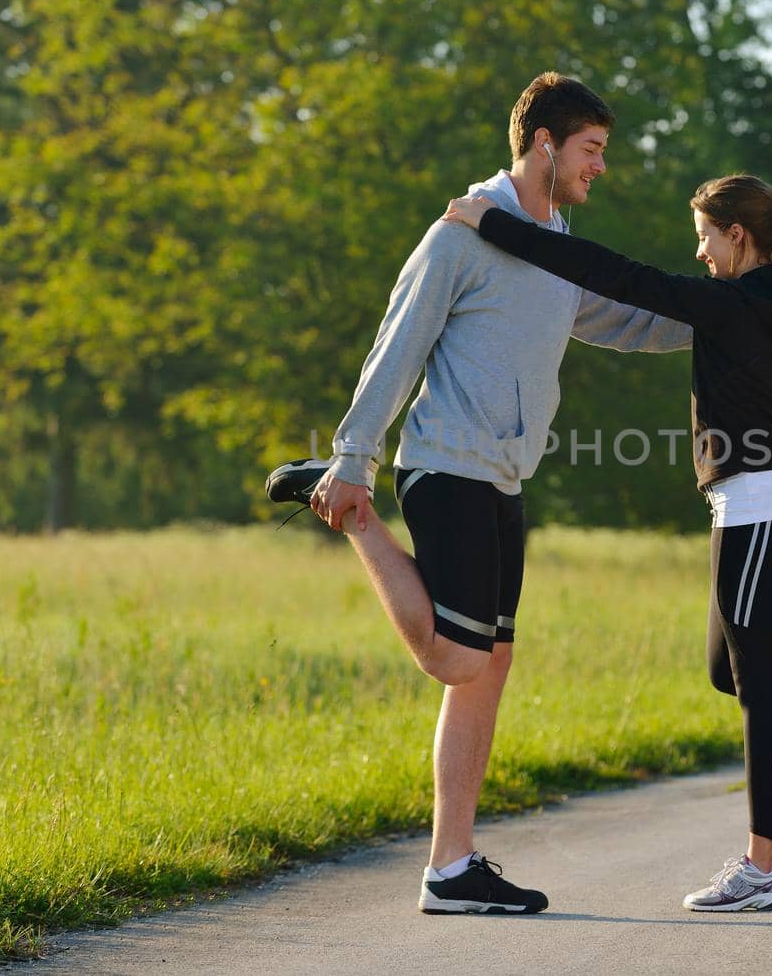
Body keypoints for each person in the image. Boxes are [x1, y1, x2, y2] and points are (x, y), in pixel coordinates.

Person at [441, 174, 772, 912]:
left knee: (760, 685)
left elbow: (614, 274)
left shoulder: (734, 307)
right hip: (755, 507)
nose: (698, 252)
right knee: (729, 672)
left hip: (761, 505)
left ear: (739, 235)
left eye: (706, 235)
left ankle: (767, 867)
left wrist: (493, 225)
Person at [265, 73, 693, 914]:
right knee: (454, 657)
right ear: (544, 144)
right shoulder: (460, 236)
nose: (600, 167)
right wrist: (356, 457)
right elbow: (400, 342)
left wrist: (726, 324)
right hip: (446, 463)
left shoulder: (555, 242)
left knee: (487, 671)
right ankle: (347, 512)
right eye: (591, 150)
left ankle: (451, 868)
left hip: (504, 477)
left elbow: (620, 319)